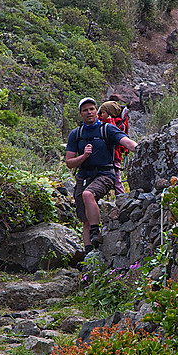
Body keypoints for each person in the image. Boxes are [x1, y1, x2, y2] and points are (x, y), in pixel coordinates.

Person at [66, 97, 137, 253]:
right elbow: (69, 162)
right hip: (83, 176)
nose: (89, 112)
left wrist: (139, 149)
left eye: (92, 109)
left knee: (87, 194)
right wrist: (84, 156)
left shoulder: (107, 129)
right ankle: (89, 254)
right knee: (85, 220)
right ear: (81, 114)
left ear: (96, 111)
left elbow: (125, 141)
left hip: (105, 174)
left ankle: (95, 231)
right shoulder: (76, 134)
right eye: (85, 110)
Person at [97, 100, 129, 195]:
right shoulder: (100, 122)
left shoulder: (117, 125)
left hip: (114, 157)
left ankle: (121, 198)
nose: (101, 115)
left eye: (103, 113)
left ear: (110, 114)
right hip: (102, 156)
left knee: (117, 180)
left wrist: (108, 122)